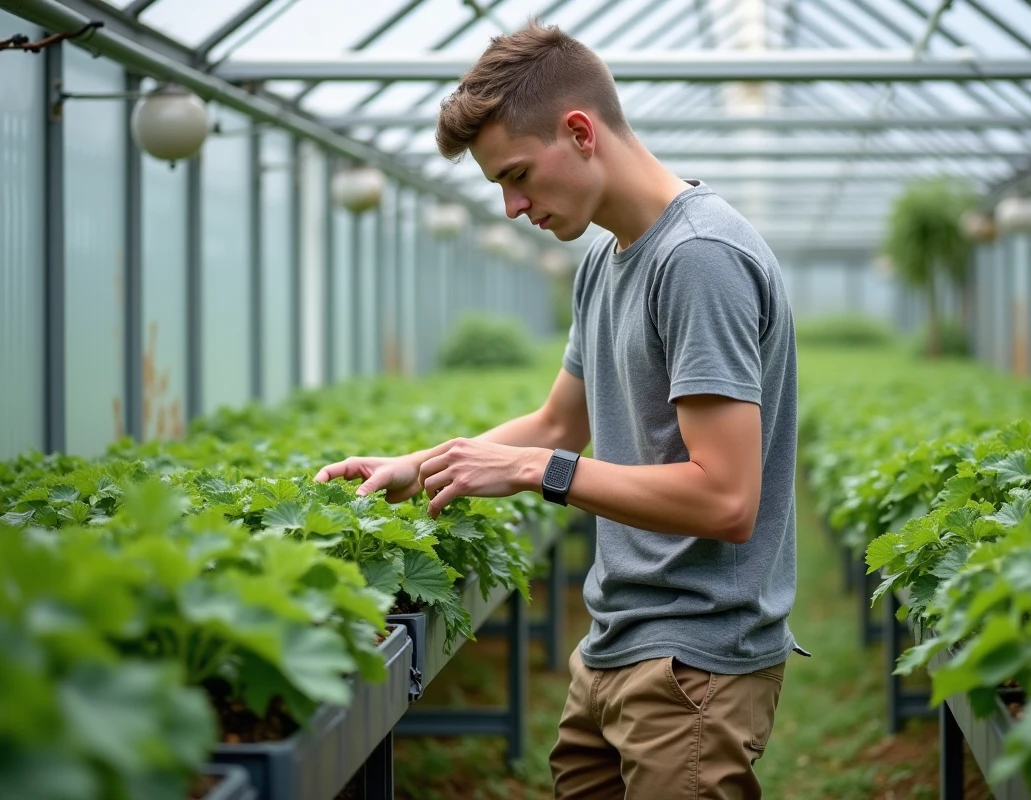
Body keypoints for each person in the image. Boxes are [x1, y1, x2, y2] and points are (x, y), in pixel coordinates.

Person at [314, 20, 806, 800]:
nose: (512, 207)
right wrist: (422, 467)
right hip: (615, 642)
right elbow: (555, 424)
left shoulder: (698, 260)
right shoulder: (605, 263)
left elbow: (726, 499)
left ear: (580, 132)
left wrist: (538, 472)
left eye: (516, 175)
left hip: (693, 660)